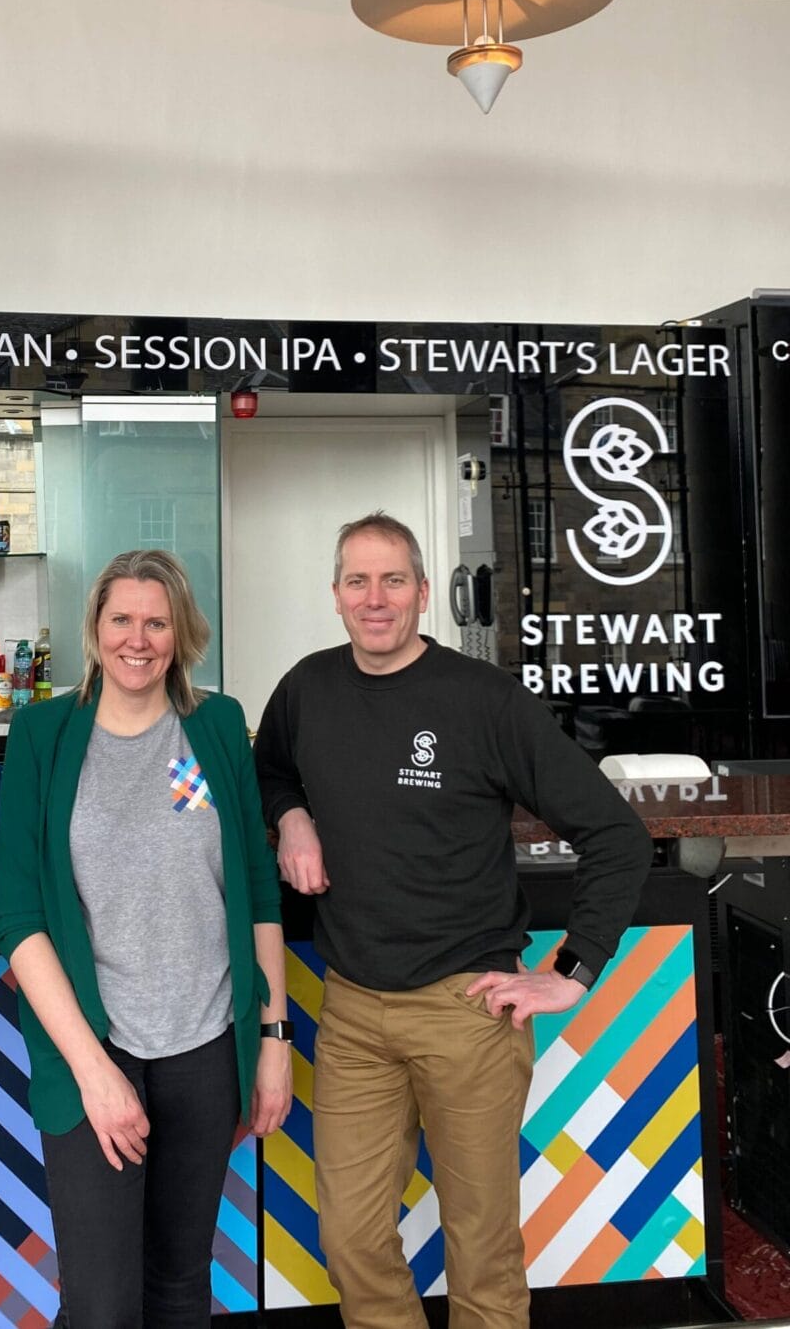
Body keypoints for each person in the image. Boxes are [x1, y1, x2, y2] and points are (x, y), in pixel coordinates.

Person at [254, 512, 653, 1329]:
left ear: (424, 592)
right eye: (358, 580)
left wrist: (572, 971)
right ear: (335, 594)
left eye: (393, 579)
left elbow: (616, 833)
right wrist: (291, 815)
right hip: (355, 1010)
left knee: (482, 1250)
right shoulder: (306, 688)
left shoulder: (486, 700)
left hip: (468, 1008)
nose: (375, 598)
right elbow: (268, 771)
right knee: (351, 1238)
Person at [0, 548, 292, 1329]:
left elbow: (257, 888)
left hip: (205, 1048)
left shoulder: (217, 724)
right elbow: (18, 916)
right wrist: (95, 1072)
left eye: (156, 621)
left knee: (181, 1288)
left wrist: (273, 1037)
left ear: (181, 632)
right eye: (121, 618)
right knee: (101, 1305)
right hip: (93, 1051)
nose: (138, 637)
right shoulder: (43, 734)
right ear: (94, 629)